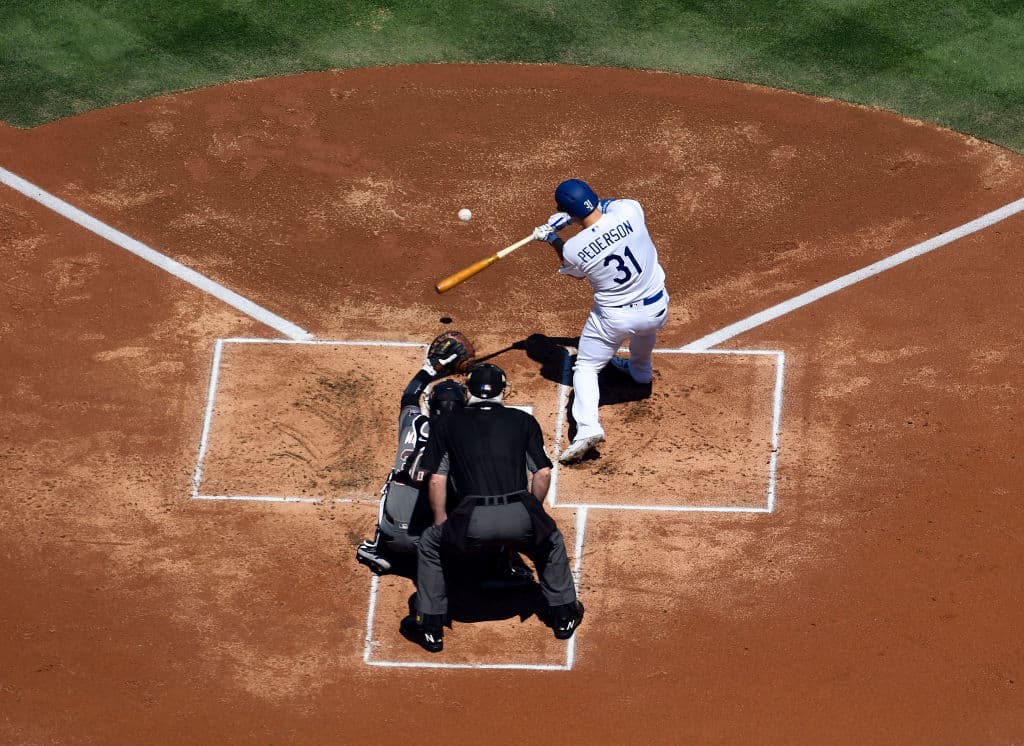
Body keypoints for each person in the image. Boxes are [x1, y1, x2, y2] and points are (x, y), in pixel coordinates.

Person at [400, 363, 584, 653]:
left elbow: (436, 478)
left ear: (468, 391)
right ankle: (564, 615)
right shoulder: (523, 421)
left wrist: (441, 522)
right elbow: (543, 473)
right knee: (549, 542)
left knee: (429, 545)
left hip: (471, 520)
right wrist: (532, 513)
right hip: (519, 513)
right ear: (503, 390)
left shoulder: (448, 424)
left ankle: (430, 626)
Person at [532, 179, 669, 464]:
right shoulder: (630, 210)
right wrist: (574, 216)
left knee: (586, 367)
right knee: (645, 331)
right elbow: (605, 206)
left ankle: (587, 429)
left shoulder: (573, 248)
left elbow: (575, 272)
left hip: (615, 319)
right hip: (657, 308)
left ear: (567, 211)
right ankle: (641, 372)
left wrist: (553, 238)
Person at [355, 337, 470, 574]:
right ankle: (493, 565)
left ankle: (377, 548)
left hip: (390, 536)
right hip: (427, 543)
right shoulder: (465, 440)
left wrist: (430, 368)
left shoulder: (414, 423)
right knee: (468, 490)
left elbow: (409, 396)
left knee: (397, 478)